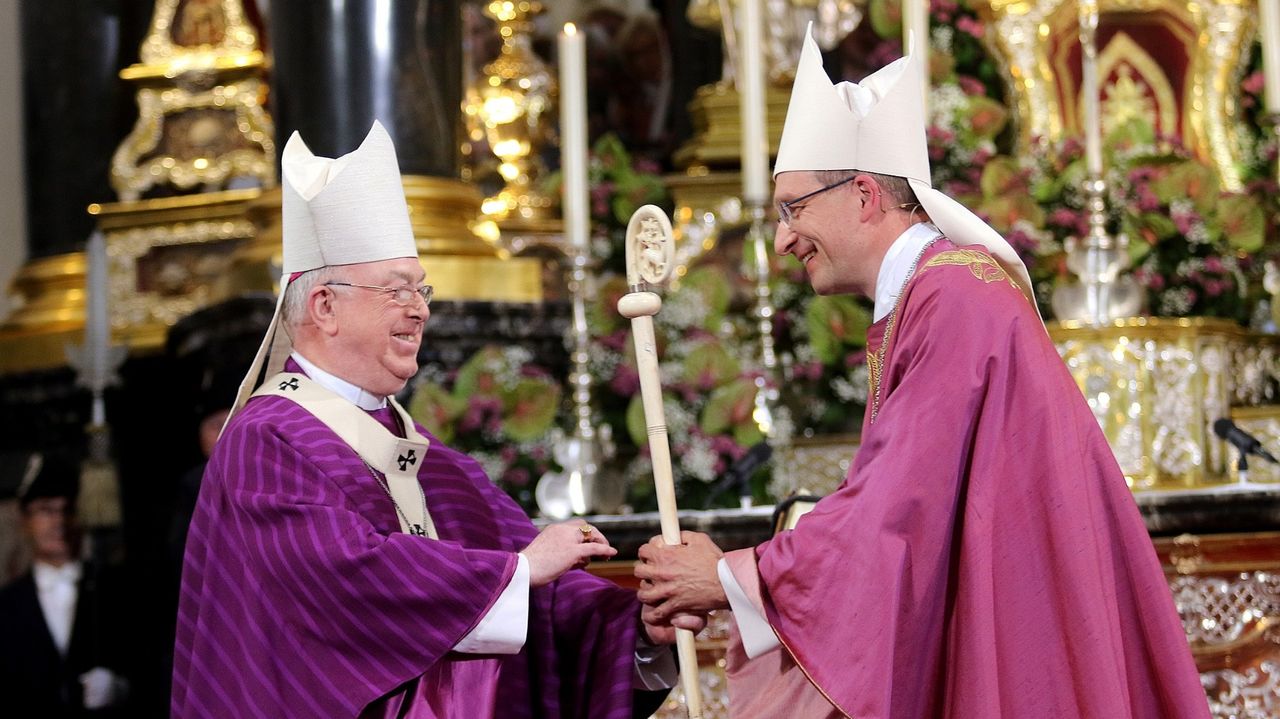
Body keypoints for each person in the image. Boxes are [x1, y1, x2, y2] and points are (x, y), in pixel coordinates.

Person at [634, 28, 1211, 718]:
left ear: (865, 196)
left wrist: (730, 576)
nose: (784, 237)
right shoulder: (931, 294)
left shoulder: (952, 296)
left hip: (1021, 637)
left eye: (794, 209)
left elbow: (896, 513)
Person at [172, 121, 680, 717]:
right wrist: (518, 571)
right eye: (395, 291)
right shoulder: (266, 444)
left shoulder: (433, 464)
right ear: (325, 306)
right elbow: (346, 583)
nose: (418, 311)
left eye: (422, 291)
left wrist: (645, 626)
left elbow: (546, 600)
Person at [0, 455, 131, 717]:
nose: (59, 522)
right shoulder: (6, 605)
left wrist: (121, 688)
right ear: (25, 520)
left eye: (68, 510)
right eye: (46, 510)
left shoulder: (117, 591)